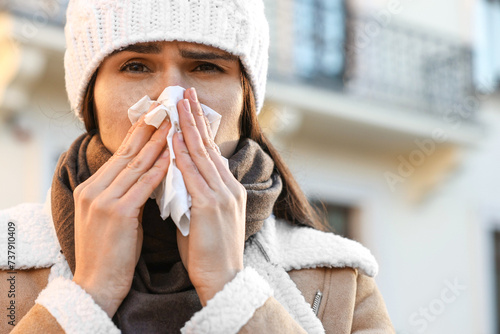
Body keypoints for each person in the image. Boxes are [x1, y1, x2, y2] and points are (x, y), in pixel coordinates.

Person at [0, 0, 395, 333]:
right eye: (136, 65)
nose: (168, 96)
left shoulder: (340, 279)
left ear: (245, 103)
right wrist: (88, 294)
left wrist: (233, 292)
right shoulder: (10, 262)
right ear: (91, 99)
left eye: (205, 66)